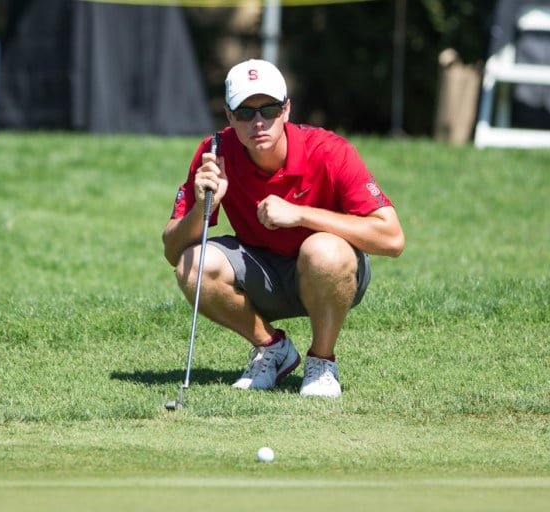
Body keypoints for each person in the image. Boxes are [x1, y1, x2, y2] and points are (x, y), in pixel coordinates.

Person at [162, 59, 404, 398]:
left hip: (330, 270)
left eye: (269, 110)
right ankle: (271, 348)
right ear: (230, 117)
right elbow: (173, 252)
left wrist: (302, 215)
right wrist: (206, 205)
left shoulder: (330, 151)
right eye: (245, 112)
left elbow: (392, 239)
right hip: (262, 271)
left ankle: (321, 362)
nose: (258, 122)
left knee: (322, 250)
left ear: (286, 110)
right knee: (193, 265)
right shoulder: (214, 153)